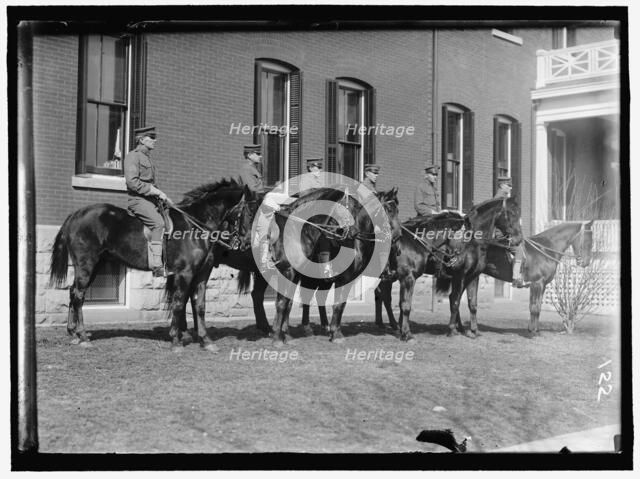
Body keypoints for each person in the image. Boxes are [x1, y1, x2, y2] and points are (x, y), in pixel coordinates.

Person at [124, 126, 173, 277]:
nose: (154, 140)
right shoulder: (133, 156)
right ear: (141, 140)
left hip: (150, 200)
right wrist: (155, 191)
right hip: (138, 199)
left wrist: (162, 195)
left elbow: (151, 183)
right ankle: (157, 267)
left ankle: (168, 260)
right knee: (158, 224)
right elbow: (132, 182)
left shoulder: (147, 159)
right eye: (151, 137)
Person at [238, 144, 290, 270]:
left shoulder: (253, 169)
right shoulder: (246, 169)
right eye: (257, 154)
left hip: (258, 203)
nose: (260, 156)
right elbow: (253, 189)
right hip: (251, 205)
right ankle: (264, 260)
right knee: (264, 228)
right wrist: (271, 190)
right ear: (249, 155)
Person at [493, 176, 525, 287]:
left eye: (511, 185)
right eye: (508, 185)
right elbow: (500, 221)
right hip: (500, 234)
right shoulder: (499, 200)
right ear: (502, 185)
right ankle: (515, 278)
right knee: (519, 251)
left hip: (505, 233)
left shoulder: (504, 200)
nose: (510, 188)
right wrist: (510, 234)